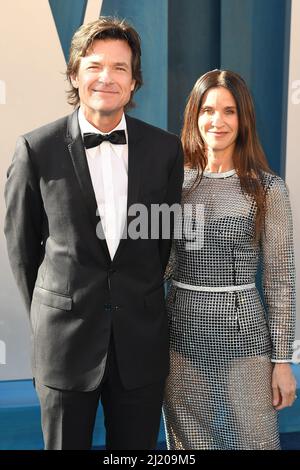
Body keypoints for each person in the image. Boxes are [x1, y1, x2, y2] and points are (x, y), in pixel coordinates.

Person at [4, 17, 183, 450]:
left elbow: (162, 242)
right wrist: (58, 309)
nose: (107, 77)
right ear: (74, 75)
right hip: (64, 345)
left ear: (135, 81)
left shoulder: (164, 151)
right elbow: (22, 249)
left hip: (139, 347)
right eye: (95, 65)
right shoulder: (36, 149)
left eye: (120, 68)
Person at [163, 69, 297, 450]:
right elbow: (165, 264)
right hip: (180, 337)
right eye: (208, 110)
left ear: (243, 119)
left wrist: (283, 360)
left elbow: (280, 280)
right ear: (195, 116)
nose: (217, 121)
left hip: (244, 337)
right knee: (189, 444)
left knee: (256, 441)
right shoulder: (177, 185)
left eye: (229, 111)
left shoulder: (268, 189)